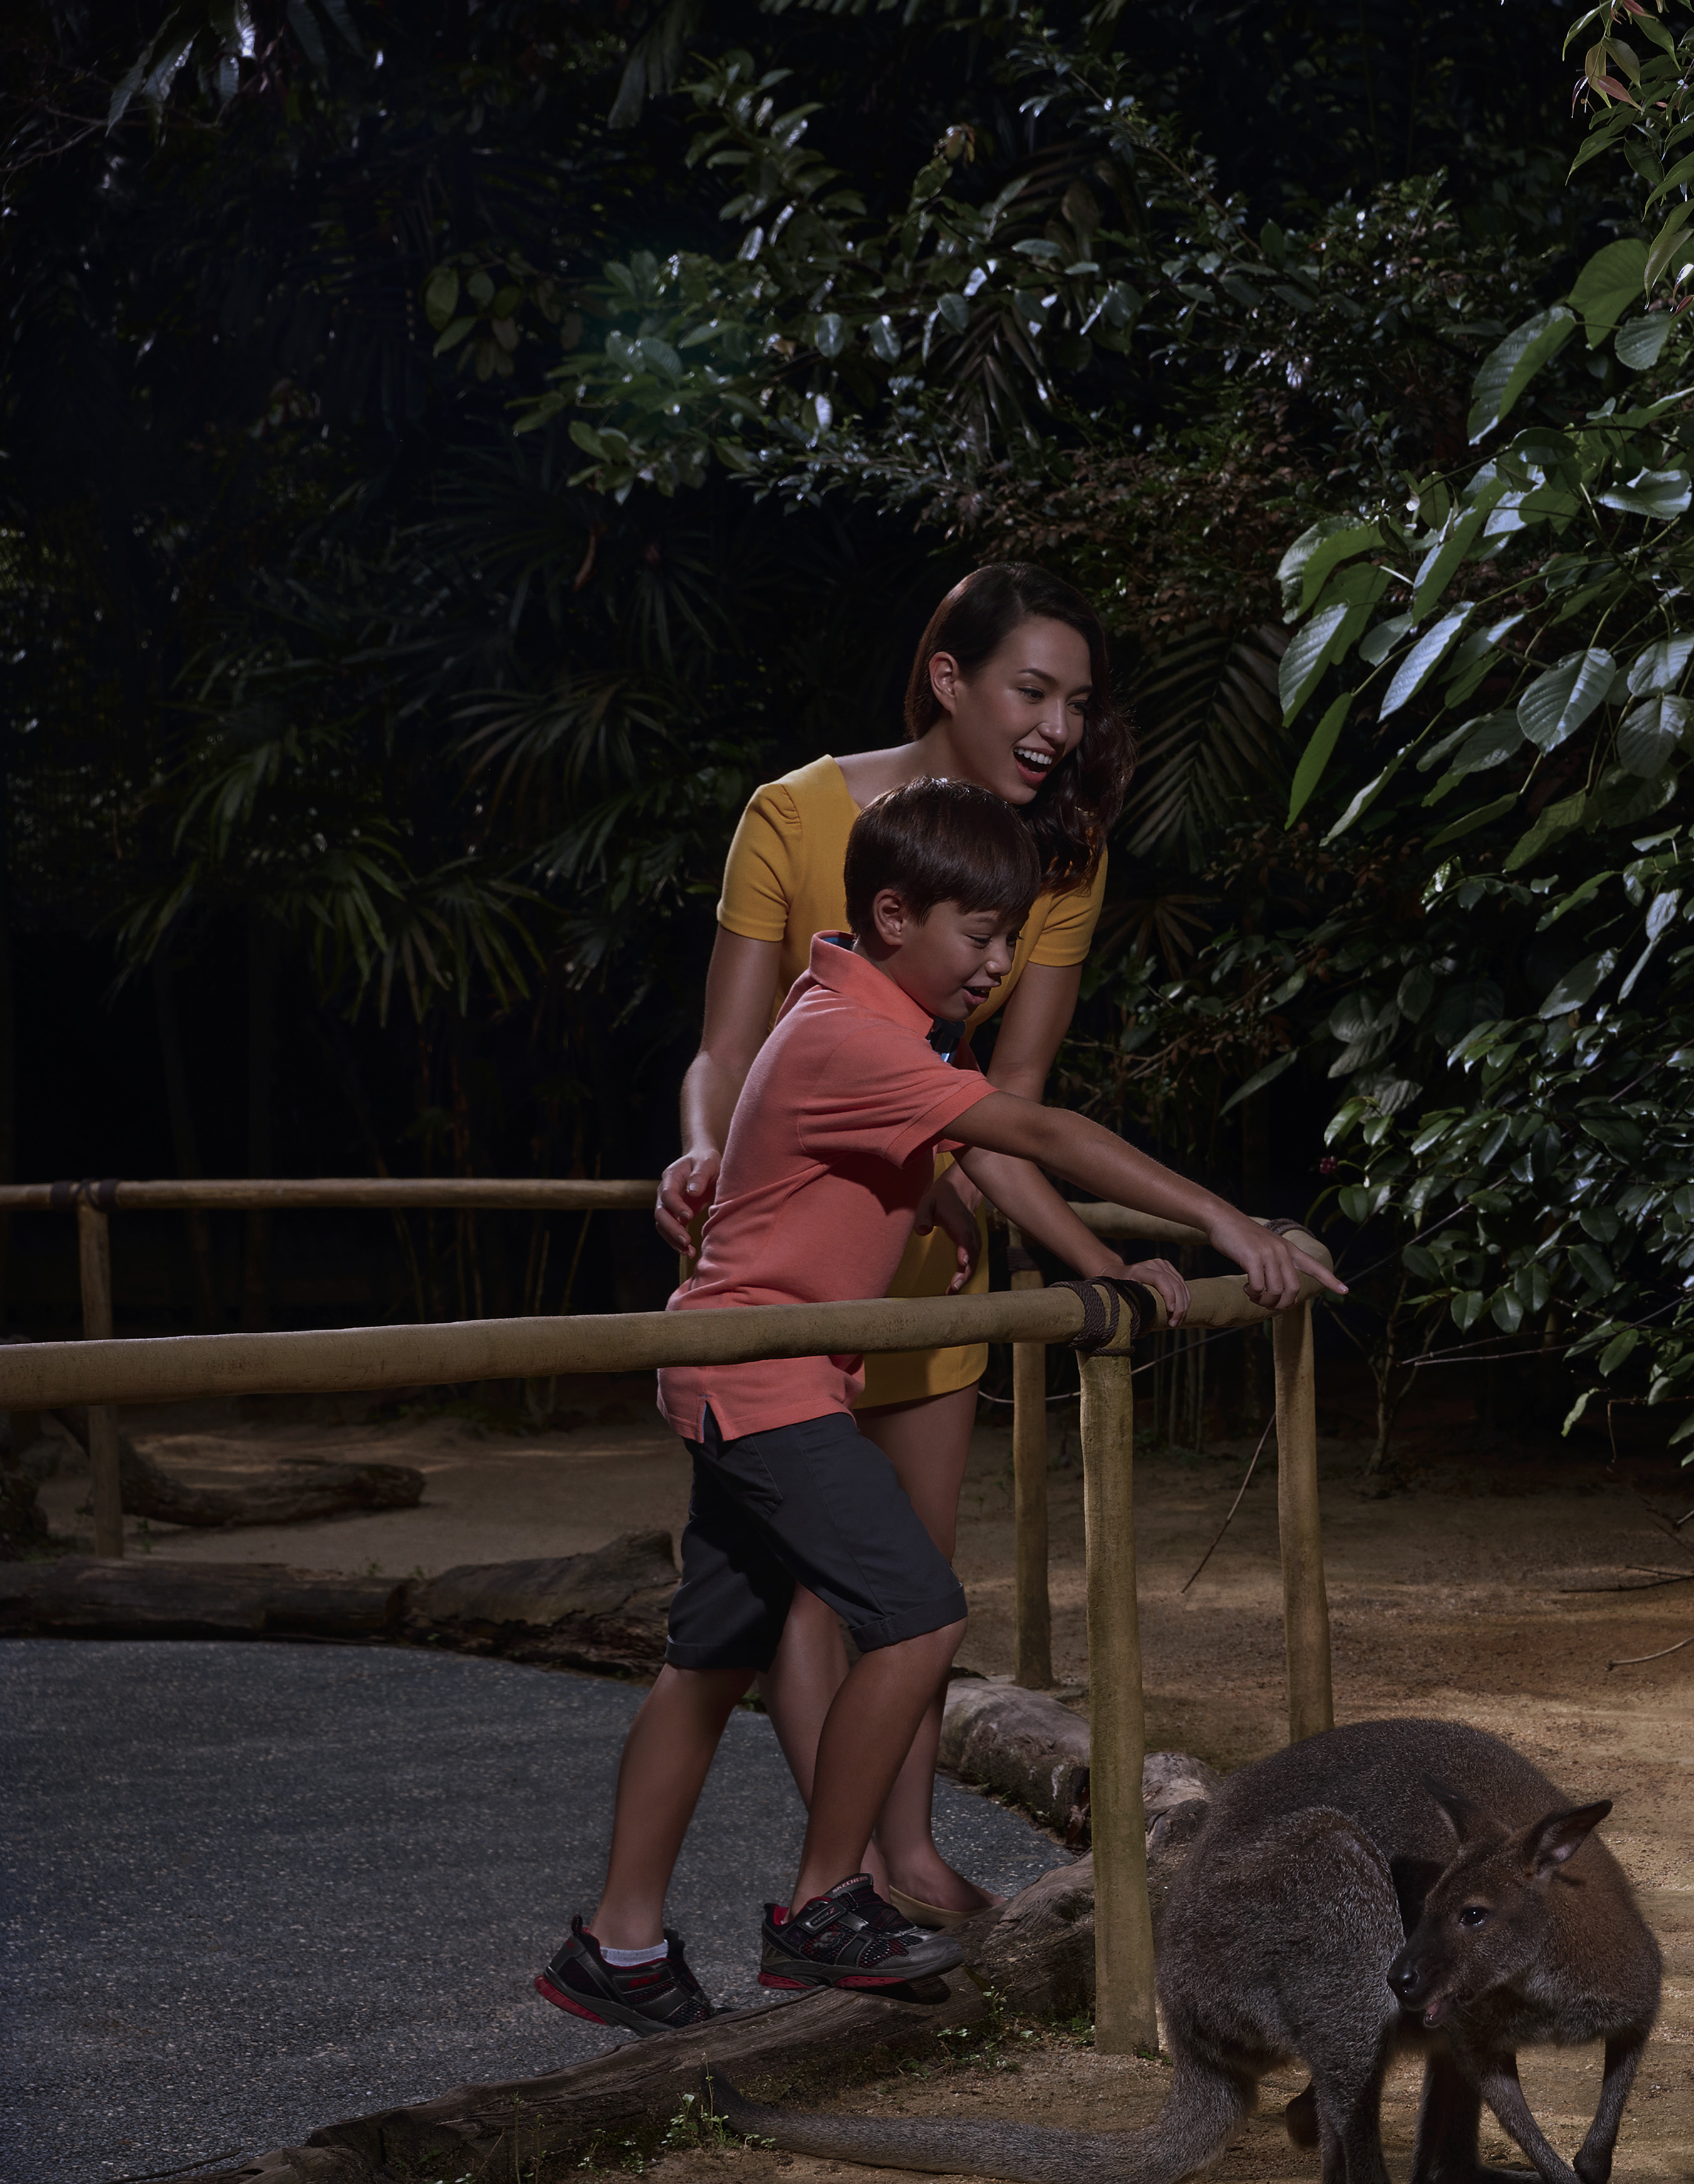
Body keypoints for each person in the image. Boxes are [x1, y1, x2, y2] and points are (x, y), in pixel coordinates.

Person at [539, 780, 1339, 2031]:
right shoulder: (852, 1042)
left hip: (747, 1369)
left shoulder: (870, 1021)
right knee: (915, 1618)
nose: (1001, 964)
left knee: (706, 1666)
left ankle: (617, 1949)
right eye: (981, 937)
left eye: (1013, 937)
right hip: (768, 1376)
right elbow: (1040, 1126)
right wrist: (1221, 1218)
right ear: (896, 914)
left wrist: (1098, 1264)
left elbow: (987, 1155)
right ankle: (820, 1909)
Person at [658, 564, 1127, 1925]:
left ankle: (902, 1859)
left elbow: (1013, 1088)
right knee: (807, 1583)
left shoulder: (1062, 859)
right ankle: (846, 1877)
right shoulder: (795, 813)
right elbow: (727, 1053)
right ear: (949, 679)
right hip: (786, 1243)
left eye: (1077, 705)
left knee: (909, 1588)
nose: (1058, 728)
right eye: (1032, 691)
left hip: (935, 1254)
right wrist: (700, 1152)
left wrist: (1036, 1229)